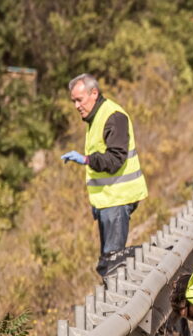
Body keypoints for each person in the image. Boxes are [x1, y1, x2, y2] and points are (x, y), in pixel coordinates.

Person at [61, 74, 148, 270]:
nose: (76, 106)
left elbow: (116, 159)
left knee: (112, 264)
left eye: (79, 100)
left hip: (117, 200)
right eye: (73, 101)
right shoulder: (95, 117)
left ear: (94, 93)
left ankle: (118, 299)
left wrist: (86, 160)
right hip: (107, 200)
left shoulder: (113, 116)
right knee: (109, 260)